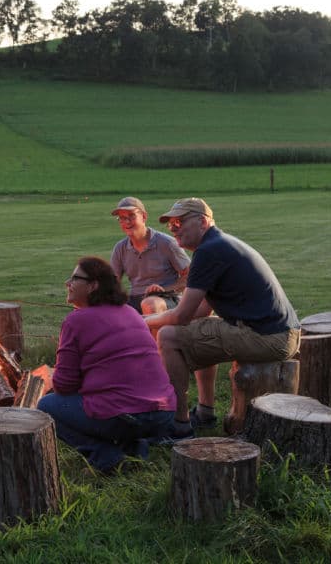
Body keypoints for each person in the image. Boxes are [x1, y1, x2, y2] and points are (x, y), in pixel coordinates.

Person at [145, 198, 300, 441]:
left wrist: (143, 322)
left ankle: (179, 425)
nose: (174, 227)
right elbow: (198, 314)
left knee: (168, 337)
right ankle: (205, 412)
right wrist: (158, 318)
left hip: (268, 337)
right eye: (171, 224)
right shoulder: (217, 245)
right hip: (281, 334)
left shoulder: (209, 251)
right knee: (198, 329)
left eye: (180, 221)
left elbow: (181, 315)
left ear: (203, 221)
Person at [37, 256, 176, 473]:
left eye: (75, 278)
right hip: (163, 413)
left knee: (47, 406)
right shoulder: (130, 312)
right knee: (112, 402)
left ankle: (108, 459)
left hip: (126, 415)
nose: (68, 283)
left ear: (93, 286)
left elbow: (64, 386)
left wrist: (50, 378)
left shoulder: (76, 320)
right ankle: (136, 449)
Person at [110, 196, 190, 315]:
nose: (127, 221)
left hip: (166, 298)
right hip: (134, 298)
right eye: (122, 218)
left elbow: (190, 276)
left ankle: (156, 334)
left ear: (144, 216)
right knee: (107, 310)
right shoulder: (120, 248)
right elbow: (111, 282)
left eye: (131, 216)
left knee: (150, 304)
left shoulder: (167, 243)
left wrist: (164, 289)